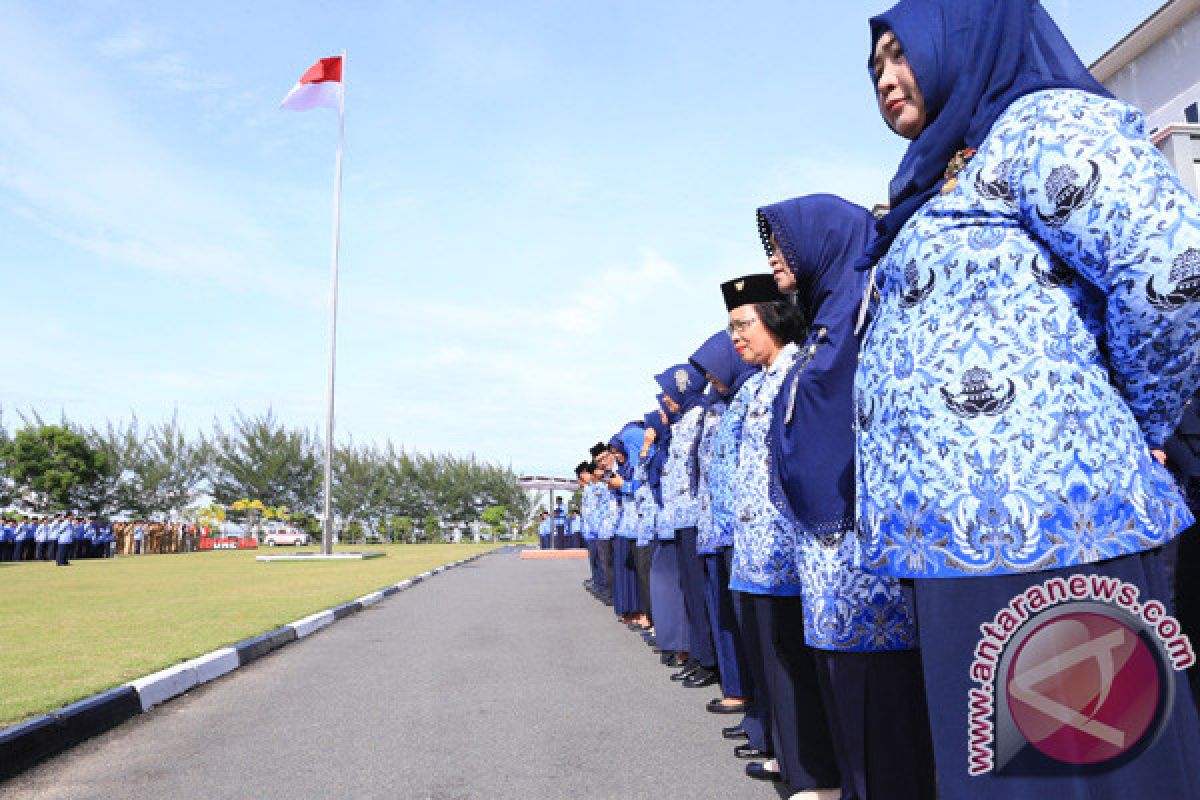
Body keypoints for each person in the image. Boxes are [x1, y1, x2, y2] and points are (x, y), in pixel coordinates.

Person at [857, 2, 1200, 796]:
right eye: (874, 65)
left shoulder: (1042, 125)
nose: (885, 76)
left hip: (1051, 533)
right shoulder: (953, 168)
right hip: (960, 547)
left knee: (1082, 768)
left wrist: (1136, 418)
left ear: (962, 40)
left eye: (900, 52)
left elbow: (1174, 271)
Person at [761, 194, 935, 799]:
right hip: (827, 559)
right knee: (842, 688)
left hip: (865, 555)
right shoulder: (828, 319)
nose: (774, 258)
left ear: (824, 241)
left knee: (883, 704)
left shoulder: (867, 309)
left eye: (783, 244)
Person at [722, 273, 839, 792]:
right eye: (731, 328)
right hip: (756, 551)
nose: (736, 337)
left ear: (773, 318)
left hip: (789, 551)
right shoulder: (761, 381)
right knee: (771, 660)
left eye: (743, 324)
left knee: (795, 661)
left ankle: (813, 771)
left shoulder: (799, 371)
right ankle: (787, 756)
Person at [691, 330, 758, 719]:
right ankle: (739, 692)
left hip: (743, 527)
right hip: (718, 527)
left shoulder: (750, 394)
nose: (710, 381)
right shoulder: (726, 404)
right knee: (727, 615)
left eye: (713, 370)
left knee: (745, 622)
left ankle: (748, 700)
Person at [656, 362, 718, 688]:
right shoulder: (683, 422)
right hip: (682, 518)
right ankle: (699, 654)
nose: (665, 400)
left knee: (700, 593)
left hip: (696, 517)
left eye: (668, 392)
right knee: (690, 594)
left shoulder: (702, 415)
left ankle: (708, 659)